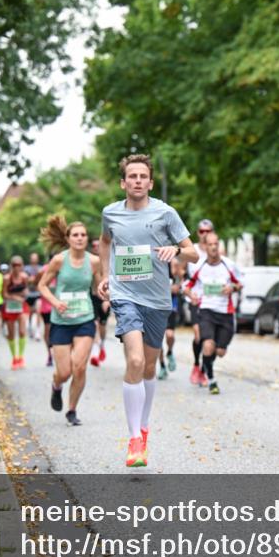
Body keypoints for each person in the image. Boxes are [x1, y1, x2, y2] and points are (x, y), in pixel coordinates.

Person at [97, 154, 198, 467]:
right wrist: (104, 275)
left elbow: (194, 253)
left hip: (157, 300)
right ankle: (134, 440)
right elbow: (103, 242)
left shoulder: (165, 213)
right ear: (123, 182)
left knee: (150, 367)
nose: (137, 181)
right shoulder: (110, 213)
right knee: (136, 360)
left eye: (143, 176)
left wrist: (177, 251)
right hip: (125, 296)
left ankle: (143, 426)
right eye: (132, 176)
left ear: (150, 183)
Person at [38, 215, 102, 426]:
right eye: (75, 235)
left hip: (84, 318)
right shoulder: (59, 260)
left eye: (83, 235)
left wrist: (107, 296)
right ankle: (56, 386)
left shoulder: (93, 261)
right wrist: (55, 303)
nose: (80, 238)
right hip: (61, 320)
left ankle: (72, 410)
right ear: (68, 238)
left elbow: (100, 286)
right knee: (64, 372)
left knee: (80, 367)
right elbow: (42, 286)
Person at [183, 232, 241, 394]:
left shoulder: (229, 265)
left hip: (226, 313)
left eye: (216, 244)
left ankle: (206, 365)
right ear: (205, 247)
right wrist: (191, 295)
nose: (214, 247)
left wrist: (233, 288)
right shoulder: (199, 266)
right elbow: (187, 286)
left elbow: (240, 283)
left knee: (220, 351)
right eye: (211, 244)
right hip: (206, 311)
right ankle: (211, 380)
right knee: (208, 345)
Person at [186, 218, 214, 385]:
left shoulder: (216, 251)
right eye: (202, 232)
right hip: (195, 299)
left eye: (208, 231)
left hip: (212, 300)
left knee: (209, 338)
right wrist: (188, 293)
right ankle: (196, 364)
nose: (205, 235)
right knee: (198, 335)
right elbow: (182, 274)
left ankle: (203, 369)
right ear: (198, 233)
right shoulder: (193, 250)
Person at [157, 258, 184, 380]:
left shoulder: (175, 265)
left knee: (170, 335)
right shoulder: (154, 263)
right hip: (156, 305)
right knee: (157, 341)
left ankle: (170, 352)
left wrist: (177, 286)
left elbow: (180, 283)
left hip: (171, 305)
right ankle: (162, 366)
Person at [1, 257, 30, 368]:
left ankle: (21, 357)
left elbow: (26, 290)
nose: (17, 267)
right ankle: (14, 358)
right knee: (11, 334)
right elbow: (3, 294)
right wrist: (14, 297)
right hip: (10, 307)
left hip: (22, 307)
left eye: (19, 265)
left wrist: (25, 293)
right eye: (14, 265)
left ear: (22, 266)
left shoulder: (24, 277)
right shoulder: (7, 278)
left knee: (22, 331)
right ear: (11, 266)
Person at [88, 239, 111, 367]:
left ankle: (101, 344)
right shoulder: (91, 261)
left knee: (102, 326)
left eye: (98, 245)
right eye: (94, 245)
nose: (96, 247)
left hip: (105, 297)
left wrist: (107, 299)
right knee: (94, 323)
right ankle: (95, 351)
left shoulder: (108, 260)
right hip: (92, 296)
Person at [24, 253, 43, 341]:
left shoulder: (41, 268)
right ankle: (30, 326)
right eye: (32, 258)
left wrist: (33, 279)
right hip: (29, 294)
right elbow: (25, 280)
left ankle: (37, 330)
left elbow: (41, 279)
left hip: (38, 293)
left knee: (38, 310)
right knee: (30, 312)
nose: (34, 259)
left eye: (35, 258)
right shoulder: (26, 268)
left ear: (38, 259)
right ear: (30, 259)